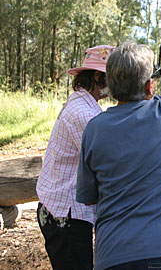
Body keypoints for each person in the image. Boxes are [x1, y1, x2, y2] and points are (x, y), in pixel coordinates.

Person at [76, 34, 161, 270]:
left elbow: (88, 196)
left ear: (110, 86)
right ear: (148, 86)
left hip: (112, 253)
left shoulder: (93, 128)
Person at [36, 45, 114, 270]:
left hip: (61, 210)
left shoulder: (81, 104)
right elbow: (104, 164)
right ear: (98, 76)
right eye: (112, 77)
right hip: (65, 215)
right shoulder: (85, 114)